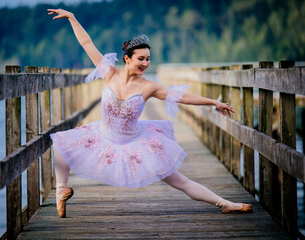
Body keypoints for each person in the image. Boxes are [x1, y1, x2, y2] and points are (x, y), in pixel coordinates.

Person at [47, 8, 253, 218]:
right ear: (127, 59)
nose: (145, 63)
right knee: (61, 144)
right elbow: (87, 43)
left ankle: (225, 203)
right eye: (141, 59)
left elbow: (180, 97)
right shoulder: (109, 73)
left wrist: (211, 102)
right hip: (103, 136)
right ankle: (61, 191)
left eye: (148, 59)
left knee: (179, 181)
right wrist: (72, 18)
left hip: (135, 143)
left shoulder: (148, 87)